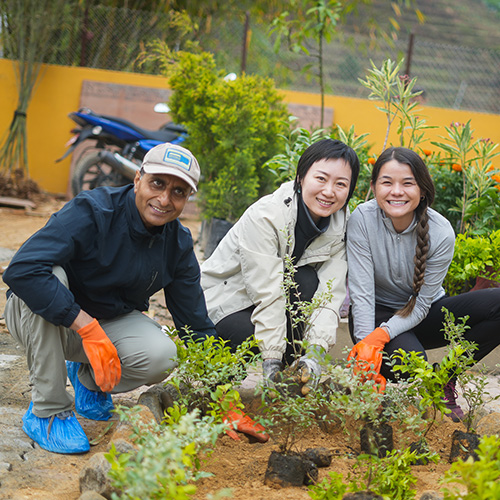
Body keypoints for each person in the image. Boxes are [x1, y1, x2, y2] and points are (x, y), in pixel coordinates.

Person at [3, 142, 263, 454]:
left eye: (179, 192)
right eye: (158, 183)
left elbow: (195, 323)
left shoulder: (177, 244)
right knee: (51, 275)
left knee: (163, 355)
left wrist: (223, 398)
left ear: (188, 199)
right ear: (138, 178)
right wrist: (86, 326)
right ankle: (48, 409)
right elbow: (23, 270)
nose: (164, 199)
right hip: (39, 317)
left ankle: (89, 380)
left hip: (103, 324)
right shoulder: (92, 211)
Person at [346, 146, 500, 421]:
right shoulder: (362, 219)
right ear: (373, 187)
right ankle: (382, 370)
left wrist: (382, 337)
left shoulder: (440, 233)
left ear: (423, 190)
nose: (397, 191)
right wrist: (366, 348)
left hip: (422, 312)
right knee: (409, 363)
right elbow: (361, 294)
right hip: (376, 313)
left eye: (408, 183)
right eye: (387, 182)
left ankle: (444, 379)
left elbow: (421, 305)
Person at [201, 138, 360, 395]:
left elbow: (329, 296)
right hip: (226, 303)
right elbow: (268, 292)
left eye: (341, 184)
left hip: (268, 305)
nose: (329, 191)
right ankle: (218, 389)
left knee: (308, 281)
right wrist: (272, 358)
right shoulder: (266, 216)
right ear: (300, 178)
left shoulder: (340, 226)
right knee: (249, 336)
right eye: (321, 178)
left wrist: (315, 353)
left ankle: (291, 380)